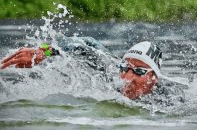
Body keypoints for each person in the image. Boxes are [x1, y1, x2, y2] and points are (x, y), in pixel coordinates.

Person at [0, 39, 165, 100]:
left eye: (139, 71)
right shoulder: (109, 68)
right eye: (125, 68)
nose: (127, 78)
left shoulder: (168, 98)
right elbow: (86, 44)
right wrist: (43, 51)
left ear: (154, 78)